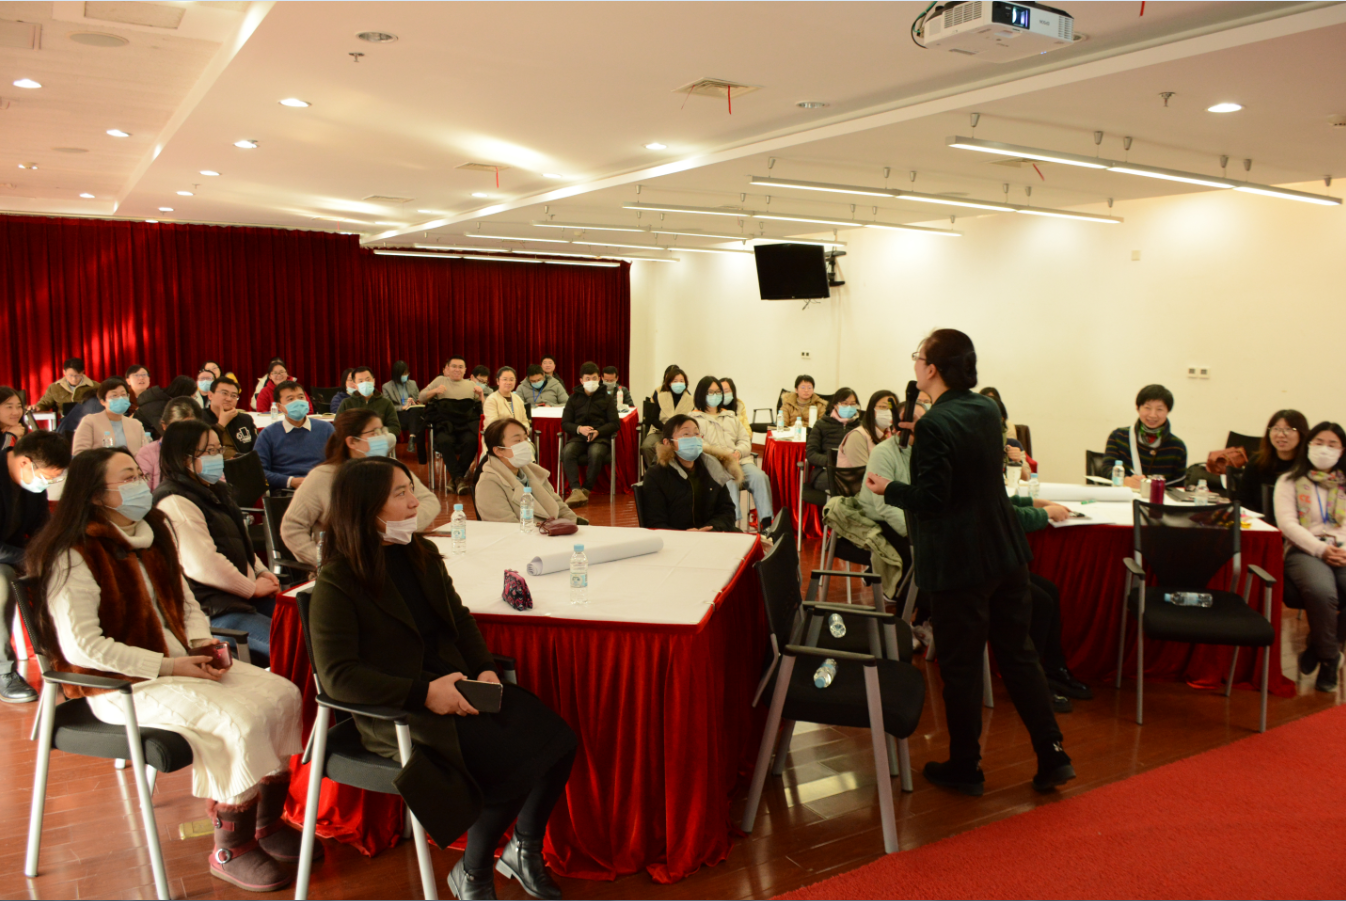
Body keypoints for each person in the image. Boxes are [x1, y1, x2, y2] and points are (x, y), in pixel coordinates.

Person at [28, 447, 308, 892]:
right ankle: (230, 847)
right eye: (128, 478)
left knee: (283, 694)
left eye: (139, 474)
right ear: (96, 495)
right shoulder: (73, 552)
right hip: (119, 685)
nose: (141, 484)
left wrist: (200, 645)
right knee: (235, 719)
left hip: (178, 663)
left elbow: (187, 601)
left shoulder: (151, 531)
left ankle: (266, 821)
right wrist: (169, 665)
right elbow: (84, 647)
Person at [308, 457, 577, 900]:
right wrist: (424, 694)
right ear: (366, 508)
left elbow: (460, 620)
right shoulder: (339, 580)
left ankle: (523, 849)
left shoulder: (422, 554)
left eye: (410, 489)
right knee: (506, 760)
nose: (415, 502)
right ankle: (473, 872)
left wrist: (484, 668)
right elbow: (339, 677)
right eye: (400, 494)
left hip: (456, 684)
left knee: (558, 741)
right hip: (400, 707)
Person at [864, 329, 1070, 796]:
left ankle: (965, 765)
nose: (915, 364)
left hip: (960, 564)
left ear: (931, 369)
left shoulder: (935, 425)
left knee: (960, 668)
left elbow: (933, 500)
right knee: (1019, 655)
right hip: (1005, 554)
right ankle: (1053, 752)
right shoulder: (985, 409)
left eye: (918, 357)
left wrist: (889, 488)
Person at [152, 420, 280, 665]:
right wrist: (251, 588)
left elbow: (240, 544)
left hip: (242, 598)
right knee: (293, 647)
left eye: (218, 449)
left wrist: (261, 572)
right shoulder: (175, 500)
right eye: (208, 451)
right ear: (183, 457)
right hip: (214, 609)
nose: (217, 457)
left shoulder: (215, 490)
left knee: (309, 631)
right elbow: (202, 564)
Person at [281, 409, 438, 568]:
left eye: (382, 431)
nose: (382, 437)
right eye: (374, 433)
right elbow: (292, 527)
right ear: (352, 442)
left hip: (396, 558)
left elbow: (429, 501)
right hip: (345, 567)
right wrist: (325, 561)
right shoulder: (323, 477)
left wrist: (399, 528)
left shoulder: (392, 470)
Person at [1275, 421, 1346, 692]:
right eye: (1319, 442)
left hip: (1342, 551)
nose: (1325, 449)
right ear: (1308, 446)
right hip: (1304, 550)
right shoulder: (1289, 481)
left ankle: (1318, 646)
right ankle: (1330, 658)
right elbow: (1287, 525)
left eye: (1332, 444)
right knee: (1321, 591)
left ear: (1342, 450)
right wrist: (1320, 549)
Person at [0, 430, 70, 702]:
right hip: (5, 559)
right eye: (48, 478)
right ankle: (4, 671)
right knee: (2, 583)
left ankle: (68, 662)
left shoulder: (30, 480)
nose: (48, 484)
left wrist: (53, 553)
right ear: (24, 463)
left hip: (15, 551)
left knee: (65, 569)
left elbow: (42, 526)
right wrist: (31, 559)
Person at [689, 376, 773, 530]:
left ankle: (767, 526)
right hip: (714, 464)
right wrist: (725, 456)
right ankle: (731, 524)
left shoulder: (730, 416)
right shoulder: (694, 419)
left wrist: (738, 453)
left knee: (760, 477)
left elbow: (745, 439)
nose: (715, 395)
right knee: (729, 481)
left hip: (739, 461)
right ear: (701, 393)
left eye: (717, 392)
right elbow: (700, 445)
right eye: (710, 392)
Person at [644, 415, 738, 532]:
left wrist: (711, 529)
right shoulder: (656, 475)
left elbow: (727, 510)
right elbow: (654, 522)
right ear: (667, 442)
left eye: (696, 433)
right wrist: (685, 535)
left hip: (711, 535)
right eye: (686, 434)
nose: (693, 438)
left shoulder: (712, 466)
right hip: (676, 538)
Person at [473, 418, 575, 525]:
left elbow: (560, 507)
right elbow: (506, 528)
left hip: (555, 532)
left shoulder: (534, 472)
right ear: (499, 450)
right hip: (531, 534)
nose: (525, 445)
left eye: (526, 438)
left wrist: (573, 525)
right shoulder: (489, 484)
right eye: (518, 440)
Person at [254, 381, 334, 490]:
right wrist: (290, 481)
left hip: (322, 486)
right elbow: (258, 471)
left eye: (301, 397)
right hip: (285, 490)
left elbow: (340, 462)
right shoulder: (268, 434)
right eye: (290, 399)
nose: (298, 402)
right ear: (279, 406)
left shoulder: (326, 428)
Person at [421, 356, 483, 495]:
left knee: (472, 441)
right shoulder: (440, 381)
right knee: (445, 441)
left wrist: (481, 395)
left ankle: (455, 479)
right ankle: (458, 479)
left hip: (465, 425)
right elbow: (421, 397)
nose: (457, 369)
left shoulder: (471, 385)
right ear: (447, 368)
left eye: (460, 367)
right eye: (454, 366)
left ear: (465, 370)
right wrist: (435, 391)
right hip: (445, 425)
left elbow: (482, 407)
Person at [1105, 385, 1188, 488]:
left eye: (1160, 409)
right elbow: (1106, 468)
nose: (1152, 415)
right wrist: (1125, 480)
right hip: (1125, 496)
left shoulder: (1178, 447)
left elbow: (1178, 486)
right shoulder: (1118, 436)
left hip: (1159, 498)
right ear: (1138, 408)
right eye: (1147, 408)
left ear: (1168, 411)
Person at [560, 362, 618, 507]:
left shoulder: (607, 398)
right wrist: (579, 429)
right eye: (587, 378)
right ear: (581, 380)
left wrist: (599, 431)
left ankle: (585, 490)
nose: (591, 381)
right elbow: (565, 423)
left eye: (594, 378)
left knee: (595, 452)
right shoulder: (573, 398)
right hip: (579, 437)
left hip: (600, 437)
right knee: (567, 452)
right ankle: (575, 490)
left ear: (599, 379)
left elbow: (615, 423)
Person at [1238, 409, 1309, 515]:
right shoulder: (1257, 462)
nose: (1281, 435)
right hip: (1260, 521)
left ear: (1301, 433)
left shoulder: (1308, 465)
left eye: (1288, 429)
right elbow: (1243, 501)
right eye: (1276, 429)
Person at [137, 397, 204, 490]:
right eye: (178, 429)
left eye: (191, 429)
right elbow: (143, 493)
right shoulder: (147, 453)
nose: (185, 435)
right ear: (164, 426)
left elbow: (218, 486)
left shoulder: (205, 450)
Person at [72, 377, 148, 455]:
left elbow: (145, 454)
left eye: (123, 395)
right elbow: (79, 453)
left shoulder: (136, 424)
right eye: (114, 395)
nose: (120, 399)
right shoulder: (90, 421)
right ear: (102, 401)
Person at [805, 387, 860, 490]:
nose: (849, 407)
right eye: (845, 403)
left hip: (853, 470)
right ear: (835, 405)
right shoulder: (821, 424)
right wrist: (831, 461)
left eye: (853, 404)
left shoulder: (860, 427)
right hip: (826, 470)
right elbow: (811, 453)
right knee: (842, 482)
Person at [641, 366, 693, 466]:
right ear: (669, 383)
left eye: (681, 381)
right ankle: (654, 470)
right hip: (660, 431)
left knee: (678, 449)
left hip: (681, 435)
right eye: (675, 381)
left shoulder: (690, 400)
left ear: (685, 383)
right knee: (647, 447)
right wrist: (665, 428)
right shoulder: (661, 397)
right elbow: (653, 419)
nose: (679, 383)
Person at [338, 366, 401, 441]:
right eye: (361, 381)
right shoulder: (347, 403)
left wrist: (383, 431)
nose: (365, 383)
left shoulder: (386, 402)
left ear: (374, 381)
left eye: (368, 380)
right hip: (355, 441)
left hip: (377, 440)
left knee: (392, 439)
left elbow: (395, 428)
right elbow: (337, 426)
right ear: (355, 385)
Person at [203, 377, 259, 459]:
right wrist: (221, 425)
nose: (229, 399)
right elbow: (202, 447)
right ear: (210, 395)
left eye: (233, 396)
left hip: (244, 463)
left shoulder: (245, 419)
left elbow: (258, 447)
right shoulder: (199, 418)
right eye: (224, 393)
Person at [840, 390, 898, 469]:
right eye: (883, 407)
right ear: (872, 409)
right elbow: (865, 472)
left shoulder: (893, 436)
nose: (888, 412)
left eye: (892, 408)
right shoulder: (857, 436)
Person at [137, 373, 196, 437]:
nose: (193, 399)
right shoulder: (156, 405)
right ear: (184, 394)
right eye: (192, 396)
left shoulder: (168, 400)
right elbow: (167, 433)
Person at [32, 357, 98, 413]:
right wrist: (38, 407)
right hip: (64, 421)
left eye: (77, 376)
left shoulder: (95, 386)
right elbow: (44, 404)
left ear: (82, 372)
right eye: (70, 375)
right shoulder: (55, 387)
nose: (74, 379)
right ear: (64, 372)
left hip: (89, 420)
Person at [483, 366, 530, 432]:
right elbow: (493, 424)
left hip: (517, 434)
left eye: (511, 379)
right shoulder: (491, 399)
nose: (508, 382)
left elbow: (524, 420)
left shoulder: (518, 399)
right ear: (498, 381)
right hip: (497, 435)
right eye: (505, 379)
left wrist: (525, 429)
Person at [1, 386, 29, 451]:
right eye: (9, 407)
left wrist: (18, 438)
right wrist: (10, 436)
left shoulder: (23, 430)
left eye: (19, 406)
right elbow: (4, 457)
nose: (16, 412)